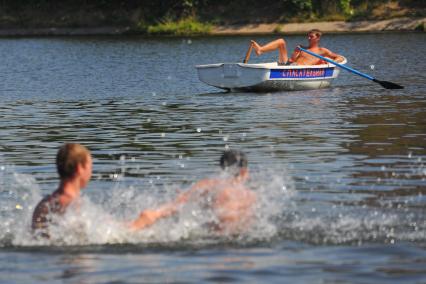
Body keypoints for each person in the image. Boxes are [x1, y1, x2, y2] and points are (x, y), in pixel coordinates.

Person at [130, 150, 257, 234]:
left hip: (214, 242)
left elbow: (176, 205)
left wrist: (155, 214)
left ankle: (130, 229)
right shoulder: (250, 196)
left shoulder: (212, 185)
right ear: (245, 171)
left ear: (222, 168)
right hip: (239, 244)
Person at [32, 143, 93, 238]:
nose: (90, 173)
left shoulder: (43, 204)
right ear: (80, 168)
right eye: (90, 167)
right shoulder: (72, 203)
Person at [250, 29, 344, 65]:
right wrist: (296, 52)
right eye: (308, 36)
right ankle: (260, 50)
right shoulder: (301, 47)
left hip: (301, 70)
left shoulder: (322, 51)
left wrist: (332, 63)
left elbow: (340, 58)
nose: (308, 38)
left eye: (311, 37)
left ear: (318, 38)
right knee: (281, 41)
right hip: (290, 66)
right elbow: (292, 60)